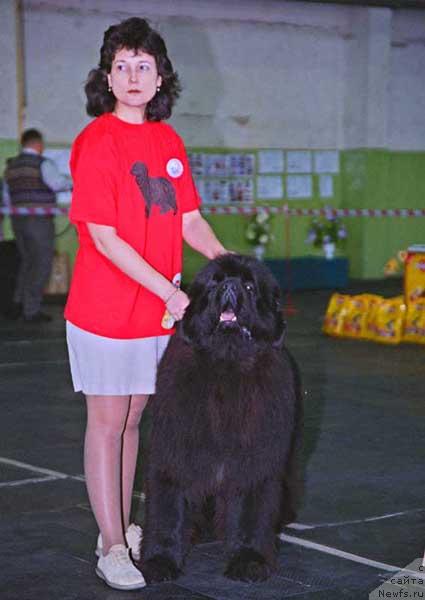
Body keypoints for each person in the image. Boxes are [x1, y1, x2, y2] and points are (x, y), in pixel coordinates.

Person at [64, 17, 227, 591]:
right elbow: (105, 238)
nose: (133, 76)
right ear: (107, 78)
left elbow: (188, 219)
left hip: (156, 312)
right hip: (106, 310)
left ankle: (121, 525)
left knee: (134, 418)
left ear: (161, 80)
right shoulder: (96, 142)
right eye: (122, 66)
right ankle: (111, 545)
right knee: (107, 422)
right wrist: (170, 290)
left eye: (144, 66)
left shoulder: (168, 141)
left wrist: (226, 263)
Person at [3, 129, 73, 322]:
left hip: (18, 220)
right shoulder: (43, 164)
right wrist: (74, 182)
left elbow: (7, 197)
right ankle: (31, 310)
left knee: (26, 262)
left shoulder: (11, 166)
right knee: (41, 263)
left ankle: (17, 305)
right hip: (39, 222)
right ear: (38, 144)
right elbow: (57, 184)